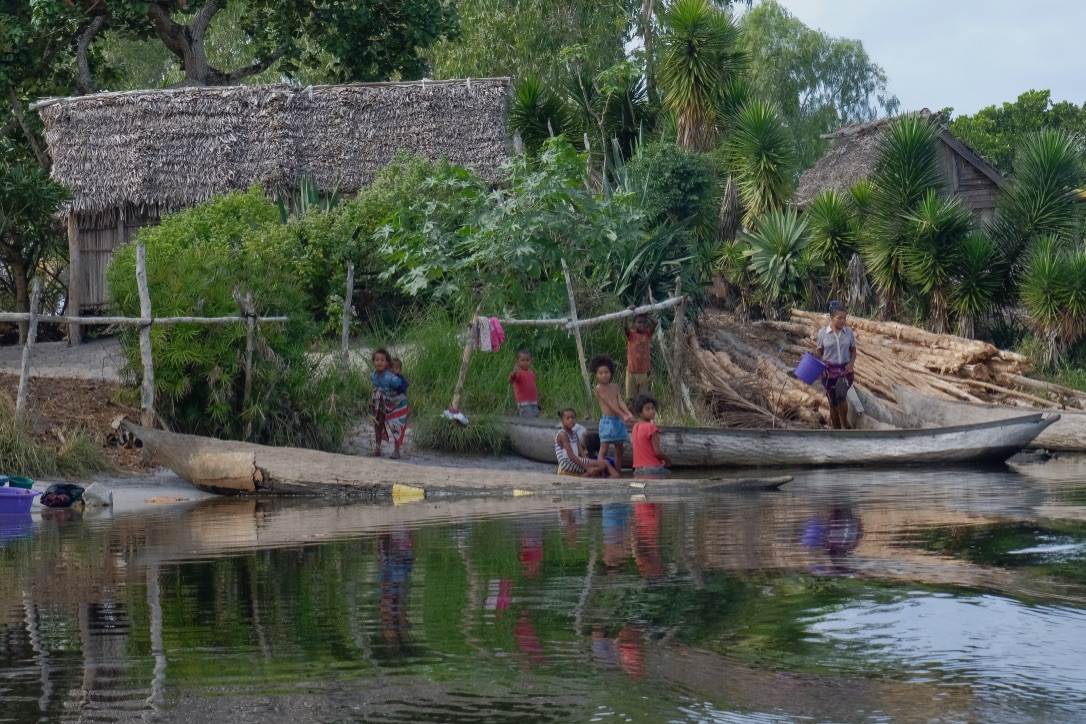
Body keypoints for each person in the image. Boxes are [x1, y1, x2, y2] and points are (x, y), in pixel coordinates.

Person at [813, 300, 856, 430]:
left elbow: (853, 351)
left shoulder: (848, 333)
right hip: (828, 371)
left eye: (844, 318)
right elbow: (819, 352)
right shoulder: (822, 334)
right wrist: (820, 360)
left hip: (844, 370)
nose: (843, 321)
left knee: (841, 395)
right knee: (833, 402)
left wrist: (851, 363)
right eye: (839, 318)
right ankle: (837, 430)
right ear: (832, 318)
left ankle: (844, 425)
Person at [591, 354, 635, 470]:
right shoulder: (599, 388)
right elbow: (610, 404)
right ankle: (599, 470)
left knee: (620, 449)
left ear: (611, 373)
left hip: (617, 422)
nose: (604, 375)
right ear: (596, 375)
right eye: (601, 373)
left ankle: (617, 471)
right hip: (607, 422)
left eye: (606, 372)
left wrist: (628, 414)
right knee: (604, 449)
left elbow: (620, 401)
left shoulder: (615, 387)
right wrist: (623, 415)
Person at [554, 409, 619, 478]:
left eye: (573, 418)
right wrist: (587, 467)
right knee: (605, 463)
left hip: (574, 460)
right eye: (568, 418)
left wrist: (587, 460)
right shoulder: (563, 435)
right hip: (567, 463)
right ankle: (616, 477)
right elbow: (571, 455)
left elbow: (581, 451)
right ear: (562, 420)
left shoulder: (574, 434)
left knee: (602, 464)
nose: (571, 420)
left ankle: (586, 475)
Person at [371, 348, 409, 458]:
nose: (379, 362)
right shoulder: (373, 376)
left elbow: (402, 387)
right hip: (382, 402)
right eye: (377, 360)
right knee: (378, 424)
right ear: (373, 362)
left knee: (396, 425)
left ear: (387, 363)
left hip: (397, 403)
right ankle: (377, 448)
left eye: (382, 360)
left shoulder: (392, 378)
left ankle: (396, 451)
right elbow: (376, 387)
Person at [631, 394, 671, 478]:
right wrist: (667, 460)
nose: (651, 411)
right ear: (640, 413)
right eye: (647, 409)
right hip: (652, 468)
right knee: (669, 475)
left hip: (638, 469)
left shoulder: (635, 427)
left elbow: (646, 451)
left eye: (652, 408)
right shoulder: (651, 427)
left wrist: (660, 461)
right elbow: (657, 452)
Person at [624, 310, 657, 400]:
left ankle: (640, 412)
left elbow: (655, 322)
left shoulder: (647, 334)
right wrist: (626, 314)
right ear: (634, 324)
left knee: (643, 397)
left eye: (644, 322)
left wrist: (648, 315)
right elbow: (625, 327)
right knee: (632, 397)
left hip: (643, 372)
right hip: (631, 371)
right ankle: (633, 412)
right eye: (639, 322)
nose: (642, 324)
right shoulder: (631, 335)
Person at [509, 349, 540, 417]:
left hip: (534, 403)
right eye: (522, 360)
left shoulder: (532, 373)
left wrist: (537, 399)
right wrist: (514, 373)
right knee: (527, 422)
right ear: (518, 362)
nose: (525, 362)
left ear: (531, 361)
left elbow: (533, 387)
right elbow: (511, 380)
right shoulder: (518, 373)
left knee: (536, 420)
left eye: (527, 360)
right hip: (524, 404)